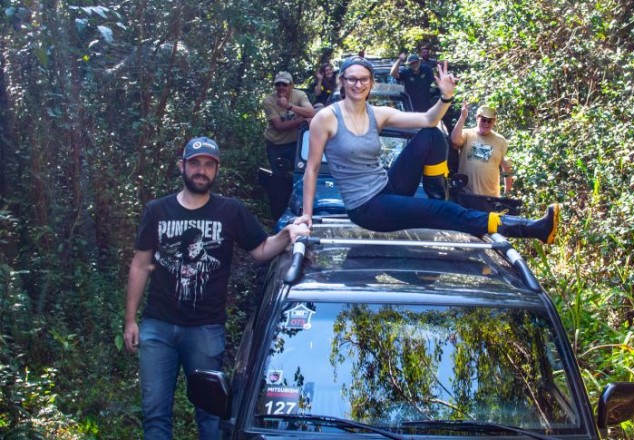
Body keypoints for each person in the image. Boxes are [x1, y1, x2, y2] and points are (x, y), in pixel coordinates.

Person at [123, 136, 309, 440]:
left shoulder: (230, 211)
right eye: (195, 163)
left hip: (205, 330)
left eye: (208, 165)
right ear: (182, 166)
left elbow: (260, 250)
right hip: (157, 327)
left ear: (216, 170)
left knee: (211, 418)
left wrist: (287, 235)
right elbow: (140, 265)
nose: (201, 170)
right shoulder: (157, 211)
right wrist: (131, 319)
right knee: (155, 415)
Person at [294, 56, 560, 244]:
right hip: (366, 207)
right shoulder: (326, 118)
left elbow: (429, 120)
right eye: (351, 79)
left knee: (431, 136)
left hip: (387, 188)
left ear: (371, 83)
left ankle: (438, 197)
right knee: (447, 214)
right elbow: (313, 169)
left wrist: (446, 97)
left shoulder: (379, 114)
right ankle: (533, 229)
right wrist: (307, 215)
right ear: (342, 81)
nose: (357, 85)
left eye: (363, 79)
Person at [451, 102, 514, 198]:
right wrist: (462, 117)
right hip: (466, 196)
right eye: (483, 120)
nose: (486, 123)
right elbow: (455, 141)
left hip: (490, 198)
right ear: (477, 118)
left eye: (489, 121)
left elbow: (507, 169)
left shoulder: (501, 141)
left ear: (494, 121)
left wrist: (507, 193)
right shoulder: (467, 134)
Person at [262, 71, 315, 174]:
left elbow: (312, 113)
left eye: (284, 84)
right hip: (276, 145)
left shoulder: (299, 95)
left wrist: (289, 106)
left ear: (291, 85)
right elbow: (279, 126)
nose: (281, 87)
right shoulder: (269, 101)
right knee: (279, 177)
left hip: (295, 144)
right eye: (278, 84)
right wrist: (301, 120)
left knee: (301, 172)